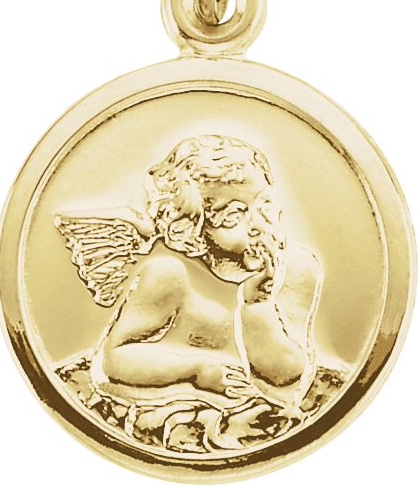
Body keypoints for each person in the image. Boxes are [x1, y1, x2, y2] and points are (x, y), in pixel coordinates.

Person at [56, 135, 322, 421]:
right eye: (233, 217)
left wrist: (257, 306)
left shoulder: (297, 268)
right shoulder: (171, 274)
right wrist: (196, 370)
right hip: (181, 411)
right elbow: (115, 359)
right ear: (194, 230)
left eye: (265, 204)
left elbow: (287, 374)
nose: (258, 225)